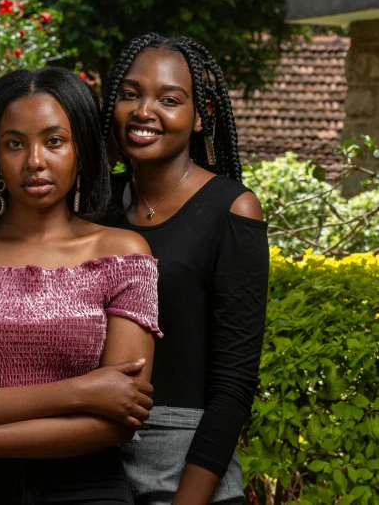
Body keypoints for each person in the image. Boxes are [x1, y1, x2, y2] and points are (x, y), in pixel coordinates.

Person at [0, 67, 162, 505]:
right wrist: (83, 390)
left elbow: (120, 418)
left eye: (54, 141)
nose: (34, 160)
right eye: (14, 143)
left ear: (81, 150)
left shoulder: (124, 254)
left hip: (87, 490)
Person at [98, 33, 269, 505]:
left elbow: (234, 386)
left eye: (168, 100)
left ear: (199, 118)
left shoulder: (233, 210)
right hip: (87, 461)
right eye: (130, 94)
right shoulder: (93, 205)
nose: (143, 111)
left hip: (186, 469)